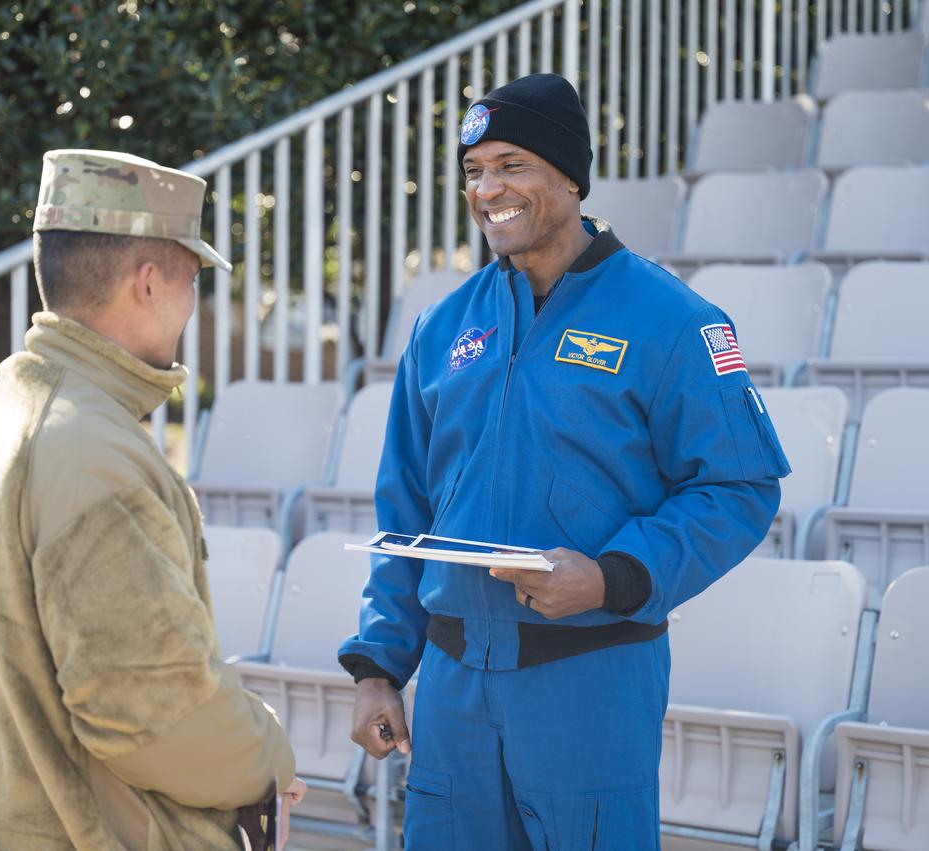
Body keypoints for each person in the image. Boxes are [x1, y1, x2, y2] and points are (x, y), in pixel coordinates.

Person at [338, 74, 791, 849]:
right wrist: (379, 664)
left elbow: (738, 487)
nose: (489, 190)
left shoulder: (672, 320)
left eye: (511, 163)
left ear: (570, 176)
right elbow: (405, 510)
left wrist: (612, 575)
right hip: (453, 692)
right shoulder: (441, 327)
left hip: (590, 680)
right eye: (474, 171)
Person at [0, 149, 304, 850]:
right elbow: (155, 711)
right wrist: (267, 757)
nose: (196, 304)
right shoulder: (91, 450)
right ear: (149, 282)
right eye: (194, 278)